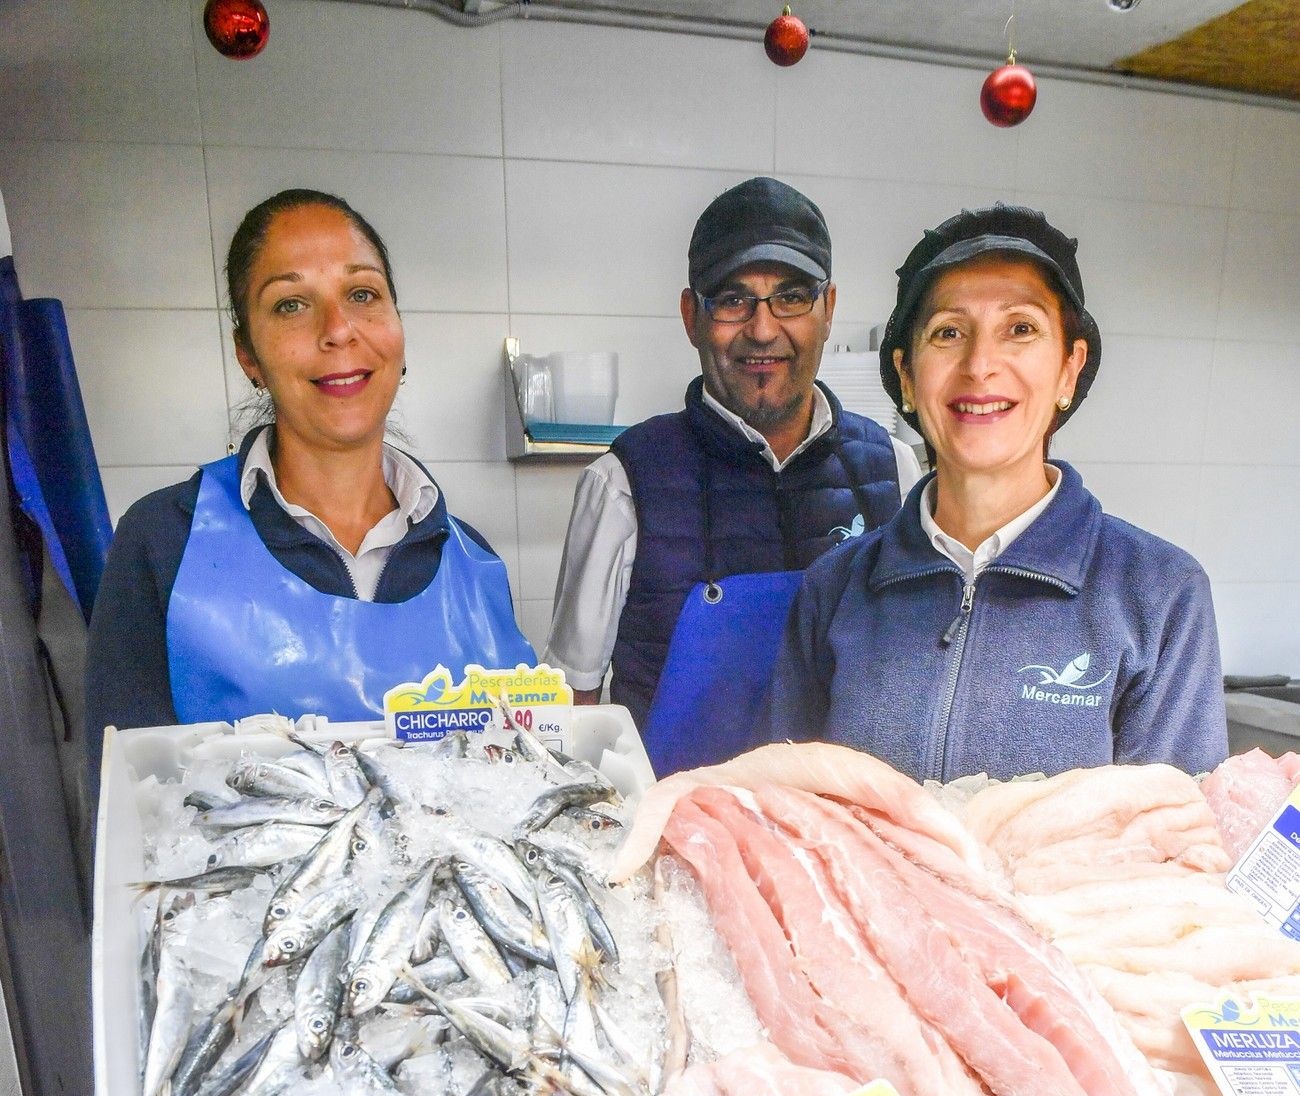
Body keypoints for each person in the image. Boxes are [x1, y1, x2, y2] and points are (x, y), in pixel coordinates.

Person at [765, 205, 1227, 782]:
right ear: (907, 378)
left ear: (1068, 368)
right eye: (949, 333)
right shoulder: (835, 589)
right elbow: (782, 818)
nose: (980, 366)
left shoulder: (1160, 596)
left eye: (1021, 329)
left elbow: (1174, 847)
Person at [86, 189, 531, 778]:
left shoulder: (474, 564)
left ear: (398, 331)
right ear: (248, 354)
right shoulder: (166, 542)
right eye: (292, 304)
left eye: (362, 294)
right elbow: (123, 810)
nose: (338, 330)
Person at [546, 176, 921, 773]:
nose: (764, 329)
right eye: (733, 299)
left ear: (828, 310)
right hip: (677, 832)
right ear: (692, 316)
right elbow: (573, 704)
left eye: (792, 296)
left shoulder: (894, 471)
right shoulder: (623, 481)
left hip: (840, 830)